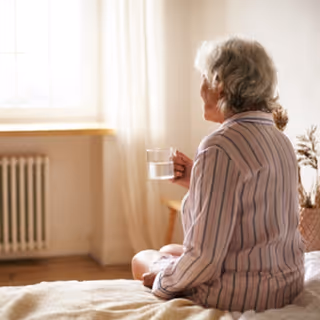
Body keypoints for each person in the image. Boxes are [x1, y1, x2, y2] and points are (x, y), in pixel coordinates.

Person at [131, 36, 305, 312]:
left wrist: (161, 282)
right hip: (286, 282)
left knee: (143, 258)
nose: (200, 88)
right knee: (168, 251)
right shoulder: (279, 139)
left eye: (203, 77)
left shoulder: (220, 146)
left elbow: (205, 258)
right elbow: (254, 201)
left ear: (219, 84)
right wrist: (195, 179)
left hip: (245, 293)